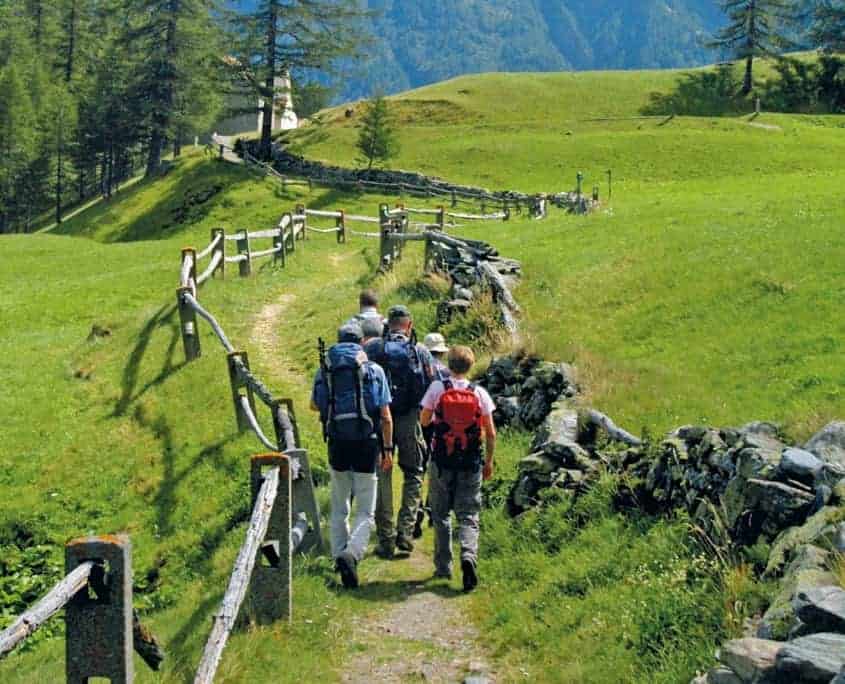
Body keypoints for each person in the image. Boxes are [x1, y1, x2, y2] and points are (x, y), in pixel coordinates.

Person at [311, 321, 394, 588]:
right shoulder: (373, 370)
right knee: (366, 510)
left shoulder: (326, 369)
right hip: (366, 443)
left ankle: (338, 556)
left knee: (339, 504)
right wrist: (388, 448)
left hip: (337, 442)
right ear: (361, 343)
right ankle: (353, 553)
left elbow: (314, 404)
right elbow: (385, 416)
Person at [420, 345, 496, 592]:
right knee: (469, 514)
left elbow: (423, 419)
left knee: (441, 515)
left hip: (441, 460)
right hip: (470, 461)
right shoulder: (480, 393)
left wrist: (438, 422)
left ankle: (443, 566)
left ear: (449, 364)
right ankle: (469, 556)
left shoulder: (437, 388)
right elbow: (491, 432)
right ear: (470, 366)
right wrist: (489, 461)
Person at [364, 305, 434, 557]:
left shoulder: (372, 349)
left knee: (382, 474)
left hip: (379, 418)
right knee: (414, 471)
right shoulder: (420, 351)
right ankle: (406, 530)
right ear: (409, 325)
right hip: (409, 417)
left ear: (387, 325)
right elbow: (432, 384)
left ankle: (386, 537)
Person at [413, 332, 452, 539]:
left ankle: (415, 507)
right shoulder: (446, 372)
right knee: (436, 469)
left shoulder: (419, 369)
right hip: (440, 424)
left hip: (420, 420)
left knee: (418, 466)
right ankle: (431, 507)